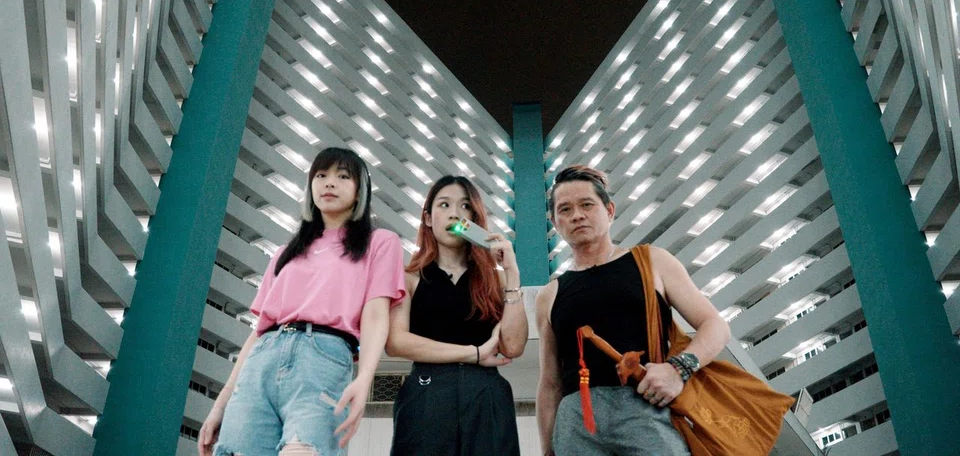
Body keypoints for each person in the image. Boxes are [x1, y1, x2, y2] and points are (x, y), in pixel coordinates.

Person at [197, 147, 406, 456]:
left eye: (342, 176)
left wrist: (365, 380)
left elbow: (376, 316)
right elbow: (258, 331)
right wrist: (222, 402)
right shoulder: (285, 253)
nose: (329, 183)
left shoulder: (380, 243)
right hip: (262, 361)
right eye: (321, 176)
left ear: (360, 189)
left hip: (323, 359)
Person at [536, 165, 731, 456]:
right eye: (564, 210)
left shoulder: (653, 261)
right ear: (555, 221)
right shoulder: (550, 294)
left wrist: (678, 369)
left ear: (609, 210)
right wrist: (546, 451)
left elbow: (715, 325)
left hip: (646, 407)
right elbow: (549, 384)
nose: (576, 215)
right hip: (576, 421)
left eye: (586, 204)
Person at [386, 175, 529, 455]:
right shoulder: (409, 277)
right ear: (428, 218)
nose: (455, 213)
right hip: (427, 392)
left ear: (475, 218)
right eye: (444, 205)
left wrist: (512, 273)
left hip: (486, 395)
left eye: (465, 207)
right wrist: (473, 353)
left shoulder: (495, 281)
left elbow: (513, 345)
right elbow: (395, 342)